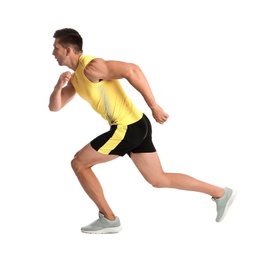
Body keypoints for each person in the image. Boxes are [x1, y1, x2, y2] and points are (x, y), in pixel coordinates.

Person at [49, 28, 236, 234]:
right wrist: (59, 86)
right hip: (137, 124)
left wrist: (154, 106)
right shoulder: (76, 79)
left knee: (79, 163)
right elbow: (54, 106)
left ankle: (109, 219)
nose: (52, 53)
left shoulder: (92, 67)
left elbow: (133, 70)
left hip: (126, 127)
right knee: (158, 179)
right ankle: (220, 193)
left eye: (55, 48)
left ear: (68, 50)